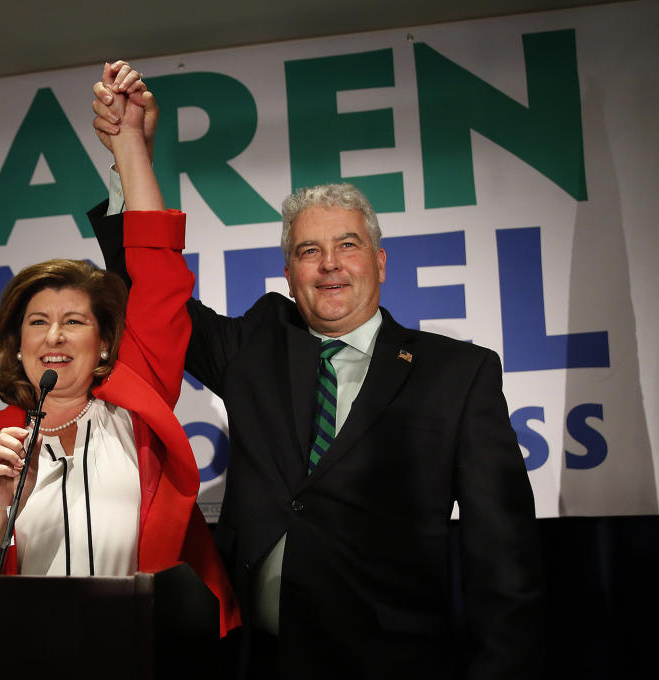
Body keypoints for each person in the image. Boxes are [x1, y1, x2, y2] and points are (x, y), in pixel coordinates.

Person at [91, 62, 544, 678]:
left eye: (347, 245)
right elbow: (152, 294)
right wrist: (130, 158)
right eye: (308, 251)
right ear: (288, 272)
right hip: (259, 661)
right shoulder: (257, 344)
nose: (329, 265)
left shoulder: (456, 374)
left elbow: (503, 554)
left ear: (380, 263)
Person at [0, 64, 239, 637]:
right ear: (16, 347)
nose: (54, 336)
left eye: (74, 321)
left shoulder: (137, 407)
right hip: (27, 655)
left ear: (103, 348)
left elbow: (159, 273)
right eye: (37, 322)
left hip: (151, 648)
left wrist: (130, 147)